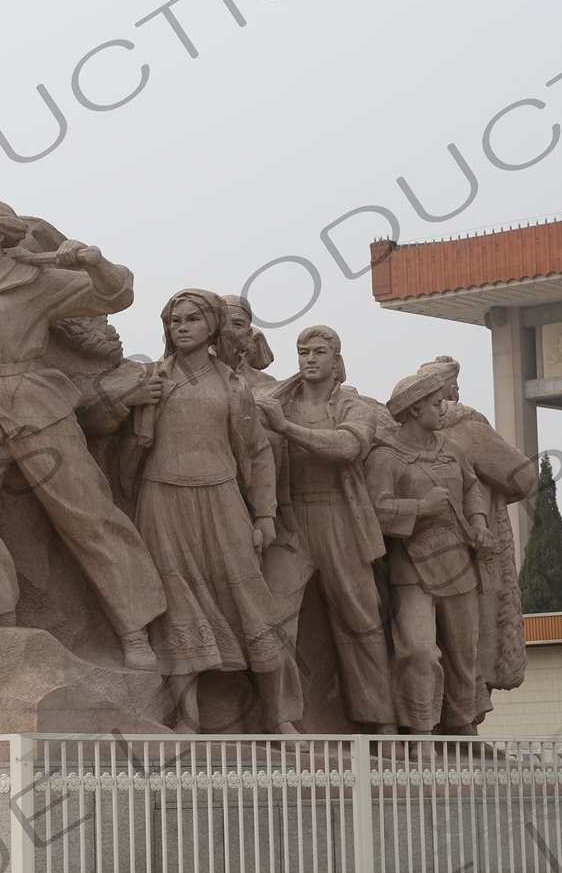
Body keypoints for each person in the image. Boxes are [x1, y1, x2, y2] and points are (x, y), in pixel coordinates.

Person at [0, 199, 166, 668]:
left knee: (87, 514)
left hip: (35, 405)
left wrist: (95, 262)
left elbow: (117, 296)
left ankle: (136, 629)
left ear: (1, 232)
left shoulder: (35, 279)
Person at [83, 290, 301, 733]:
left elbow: (258, 453)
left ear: (211, 327)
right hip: (163, 502)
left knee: (253, 604)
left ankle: (280, 720)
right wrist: (133, 401)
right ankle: (187, 719)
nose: (180, 327)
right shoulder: (150, 377)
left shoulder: (235, 385)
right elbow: (91, 420)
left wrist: (263, 515)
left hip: (222, 501)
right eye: (174, 321)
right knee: (178, 608)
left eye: (191, 320)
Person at [255, 326, 393, 730]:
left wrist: (286, 428)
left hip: (340, 521)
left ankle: (380, 721)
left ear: (336, 361)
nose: (310, 359)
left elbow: (348, 447)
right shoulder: (277, 401)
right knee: (275, 622)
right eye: (302, 352)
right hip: (291, 523)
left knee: (362, 622)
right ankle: (280, 717)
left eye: (319, 352)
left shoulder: (354, 406)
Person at [366, 370, 495, 735]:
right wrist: (420, 508)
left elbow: (472, 488)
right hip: (411, 569)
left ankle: (462, 728)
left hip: (459, 563)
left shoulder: (450, 449)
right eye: (436, 404)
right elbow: (375, 509)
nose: (444, 409)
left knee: (464, 653)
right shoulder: (386, 456)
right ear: (413, 409)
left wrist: (480, 523)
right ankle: (421, 732)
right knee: (419, 651)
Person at [415, 356, 537, 724]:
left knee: (438, 640)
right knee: (467, 639)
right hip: (467, 552)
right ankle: (460, 719)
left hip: (421, 554)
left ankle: (442, 720)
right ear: (450, 391)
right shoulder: (467, 427)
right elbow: (521, 478)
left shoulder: (400, 431)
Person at [221, 294, 277, 390]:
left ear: (248, 334)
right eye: (223, 323)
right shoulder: (191, 376)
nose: (229, 331)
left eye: (237, 324)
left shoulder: (265, 383)